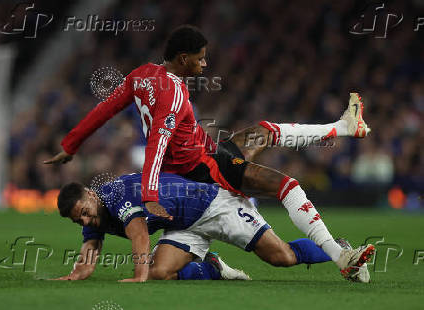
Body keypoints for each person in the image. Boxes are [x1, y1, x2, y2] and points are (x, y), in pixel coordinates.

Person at [44, 25, 372, 279]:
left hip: (203, 159)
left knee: (262, 133)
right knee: (286, 185)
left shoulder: (141, 75)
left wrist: (70, 145)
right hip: (203, 172)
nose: (205, 63)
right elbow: (157, 144)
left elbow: (105, 109)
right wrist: (149, 194)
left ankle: (342, 128)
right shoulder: (173, 95)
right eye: (200, 57)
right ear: (183, 59)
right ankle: (338, 254)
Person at [52, 173, 373, 283]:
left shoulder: (115, 194)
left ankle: (334, 246)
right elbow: (90, 250)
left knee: (282, 258)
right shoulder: (93, 213)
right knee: (160, 272)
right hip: (183, 224)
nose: (84, 221)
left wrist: (138, 276)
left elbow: (138, 233)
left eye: (83, 213)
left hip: (214, 205)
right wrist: (76, 274)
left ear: (91, 196)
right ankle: (214, 268)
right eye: (77, 220)